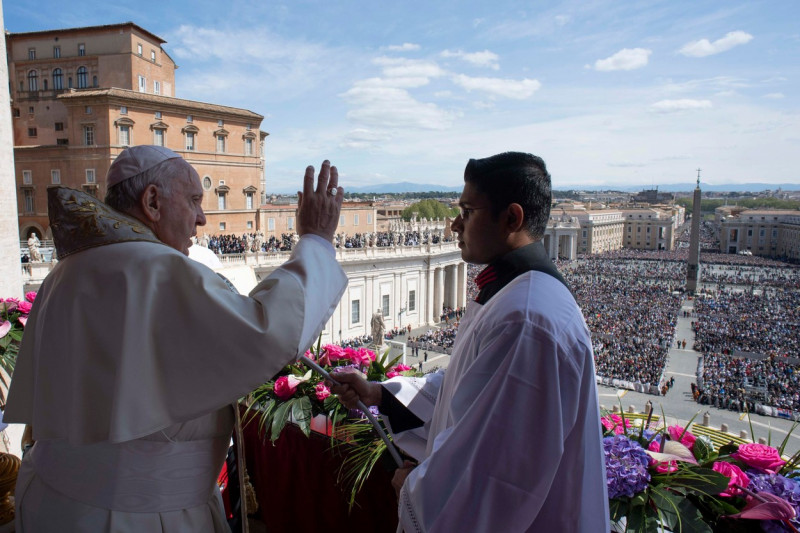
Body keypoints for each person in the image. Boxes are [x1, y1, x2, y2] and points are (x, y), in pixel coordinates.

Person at [5, 145, 348, 532]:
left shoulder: (65, 271)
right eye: (194, 200)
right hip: (134, 516)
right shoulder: (154, 269)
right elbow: (267, 332)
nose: (201, 218)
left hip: (52, 501)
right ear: (152, 201)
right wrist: (317, 241)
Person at [331, 152, 607, 531]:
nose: (453, 225)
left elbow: (492, 472)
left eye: (467, 211)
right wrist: (379, 395)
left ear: (512, 218)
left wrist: (415, 490)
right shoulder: (515, 296)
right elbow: (464, 388)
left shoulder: (526, 318)